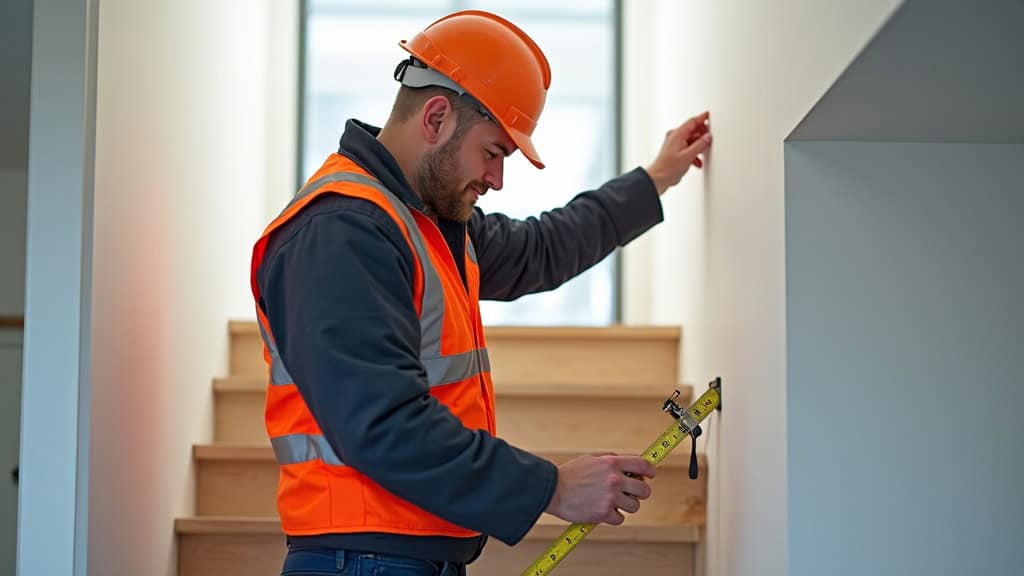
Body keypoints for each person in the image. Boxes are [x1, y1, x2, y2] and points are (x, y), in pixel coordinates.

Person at [250, 9, 712, 576]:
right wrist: (552, 487)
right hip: (362, 560)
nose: (497, 179)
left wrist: (656, 178)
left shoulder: (423, 224)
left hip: (397, 556)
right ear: (437, 117)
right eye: (493, 152)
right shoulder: (341, 231)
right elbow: (384, 426)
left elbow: (543, 247)